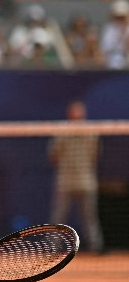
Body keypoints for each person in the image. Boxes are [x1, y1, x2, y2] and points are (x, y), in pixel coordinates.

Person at [49, 100, 104, 253]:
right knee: (58, 218)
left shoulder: (91, 132)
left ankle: (96, 248)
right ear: (69, 113)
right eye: (74, 111)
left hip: (86, 181)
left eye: (80, 110)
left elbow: (95, 155)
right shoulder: (61, 131)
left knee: (90, 218)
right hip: (65, 181)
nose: (77, 114)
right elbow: (54, 155)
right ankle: (53, 248)